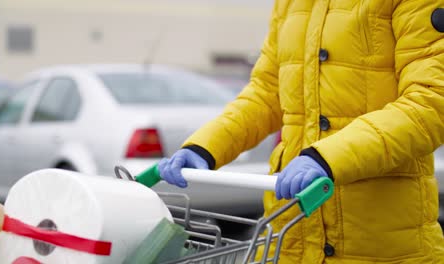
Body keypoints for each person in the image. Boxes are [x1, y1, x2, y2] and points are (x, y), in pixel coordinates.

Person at [158, 0, 444, 263]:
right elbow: (268, 93)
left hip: (381, 243)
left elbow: (432, 102)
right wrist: (204, 147)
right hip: (290, 234)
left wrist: (326, 158)